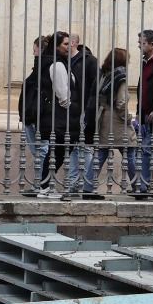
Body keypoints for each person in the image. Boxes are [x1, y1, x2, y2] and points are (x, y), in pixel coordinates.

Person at [18, 33, 64, 195]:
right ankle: (41, 185)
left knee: (43, 150)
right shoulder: (39, 67)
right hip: (32, 115)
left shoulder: (48, 67)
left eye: (35, 49)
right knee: (39, 151)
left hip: (38, 115)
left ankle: (43, 185)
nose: (33, 53)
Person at [85, 47, 135, 197]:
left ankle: (87, 187)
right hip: (117, 120)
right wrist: (128, 118)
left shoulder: (105, 75)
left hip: (104, 117)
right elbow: (120, 103)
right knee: (131, 151)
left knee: (101, 152)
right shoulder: (121, 76)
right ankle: (140, 186)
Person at [36, 34, 76, 197]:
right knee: (58, 150)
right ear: (57, 46)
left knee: (58, 150)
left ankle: (45, 186)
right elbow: (62, 93)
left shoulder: (59, 63)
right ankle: (44, 186)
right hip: (60, 115)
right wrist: (71, 107)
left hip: (59, 115)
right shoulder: (57, 65)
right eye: (65, 44)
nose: (69, 46)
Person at [63, 34, 102, 199]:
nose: (63, 47)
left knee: (84, 147)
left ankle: (85, 183)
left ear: (73, 43)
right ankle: (73, 184)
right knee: (72, 147)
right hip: (69, 111)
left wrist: (90, 109)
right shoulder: (65, 62)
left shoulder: (90, 61)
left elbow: (97, 86)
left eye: (66, 43)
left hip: (84, 110)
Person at [130, 29, 153, 195]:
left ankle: (142, 186)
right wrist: (139, 110)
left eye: (142, 43)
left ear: (152, 44)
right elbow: (142, 88)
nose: (139, 46)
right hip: (146, 114)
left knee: (148, 150)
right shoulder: (146, 61)